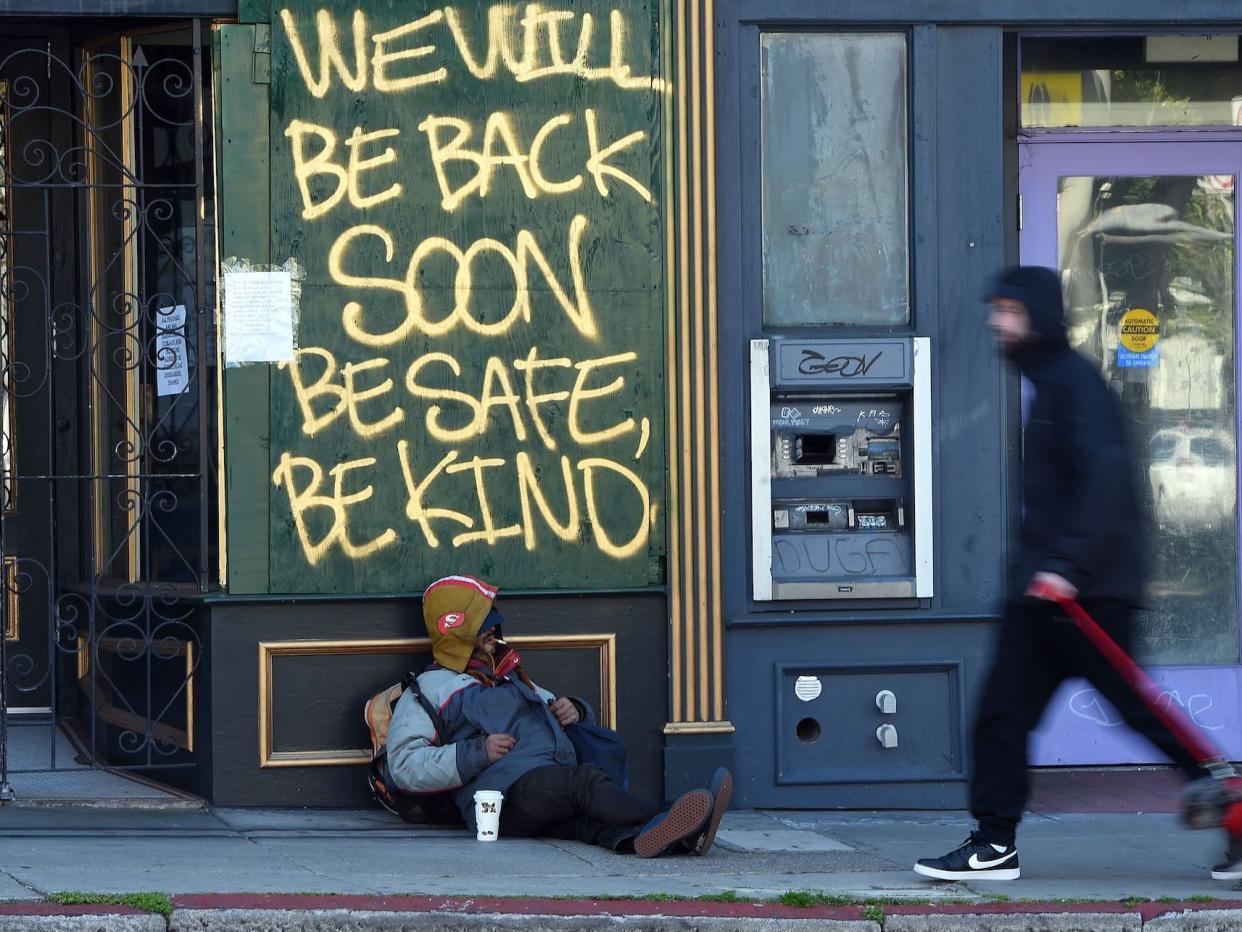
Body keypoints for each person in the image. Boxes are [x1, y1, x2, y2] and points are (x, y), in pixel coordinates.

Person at [914, 266, 1240, 882]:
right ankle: (994, 842)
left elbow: (1106, 480)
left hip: (1083, 591)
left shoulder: (1075, 387)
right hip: (1047, 594)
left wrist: (1065, 565)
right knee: (1003, 715)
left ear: (1037, 315)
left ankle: (1234, 807)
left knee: (1137, 713)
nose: (996, 322)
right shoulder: (1052, 384)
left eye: (1007, 311)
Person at [385, 574, 732, 856]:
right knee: (584, 784)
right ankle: (671, 814)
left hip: (543, 779)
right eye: (482, 624)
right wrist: (477, 751)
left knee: (587, 822)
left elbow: (551, 706)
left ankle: (677, 840)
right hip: (505, 791)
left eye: (493, 621)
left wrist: (575, 709)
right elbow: (404, 766)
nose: (494, 629)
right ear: (455, 628)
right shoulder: (428, 689)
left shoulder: (505, 672)